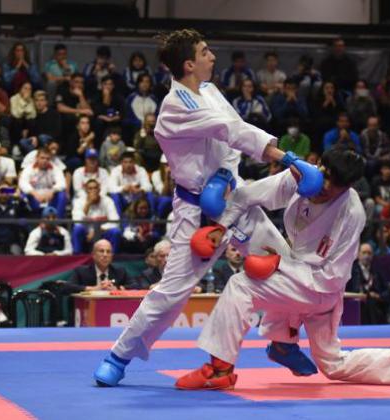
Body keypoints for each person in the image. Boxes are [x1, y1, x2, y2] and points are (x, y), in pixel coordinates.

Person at [92, 29, 323, 387]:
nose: (212, 56)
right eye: (205, 52)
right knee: (172, 293)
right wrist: (286, 157)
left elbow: (238, 129)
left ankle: (282, 341)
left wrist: (239, 173)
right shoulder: (174, 108)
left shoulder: (211, 91)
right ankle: (118, 355)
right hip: (198, 211)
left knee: (288, 268)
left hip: (234, 198)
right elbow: (228, 130)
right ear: (189, 64)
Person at [176, 149, 390, 390]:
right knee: (247, 213)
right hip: (292, 262)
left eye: (332, 185)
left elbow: (333, 278)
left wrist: (279, 266)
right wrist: (221, 228)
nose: (323, 186)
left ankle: (225, 368)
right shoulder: (302, 176)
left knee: (241, 285)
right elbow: (246, 197)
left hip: (319, 289)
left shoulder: (351, 214)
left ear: (348, 187)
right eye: (324, 175)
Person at [71, 179, 121, 254]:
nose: (93, 190)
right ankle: (78, 259)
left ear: (99, 189)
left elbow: (115, 221)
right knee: (77, 229)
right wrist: (88, 204)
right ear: (85, 190)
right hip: (86, 233)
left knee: (115, 232)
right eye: (90, 188)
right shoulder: (79, 201)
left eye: (95, 188)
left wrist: (97, 231)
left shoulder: (108, 201)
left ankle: (113, 259)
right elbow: (76, 221)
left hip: (102, 232)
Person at [18, 145, 67, 217]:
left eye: (47, 159)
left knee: (62, 195)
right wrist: (34, 193)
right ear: (37, 158)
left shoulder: (55, 168)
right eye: (42, 158)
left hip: (50, 195)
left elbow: (62, 183)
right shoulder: (29, 169)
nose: (45, 161)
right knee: (22, 196)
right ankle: (27, 225)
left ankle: (57, 221)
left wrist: (52, 191)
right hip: (33, 195)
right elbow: (22, 183)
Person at [347, 243, 389, 325]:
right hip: (357, 306)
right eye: (364, 252)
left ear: (372, 255)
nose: (367, 256)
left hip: (375, 306)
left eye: (369, 253)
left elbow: (386, 290)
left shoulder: (377, 271)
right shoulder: (351, 271)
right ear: (358, 254)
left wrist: (379, 296)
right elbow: (346, 290)